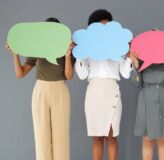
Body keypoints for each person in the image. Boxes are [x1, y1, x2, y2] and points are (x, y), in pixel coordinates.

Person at [5, 17, 75, 160]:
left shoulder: (65, 49)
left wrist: (67, 56)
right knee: (41, 134)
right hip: (40, 91)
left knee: (61, 135)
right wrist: (15, 54)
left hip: (60, 89)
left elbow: (69, 76)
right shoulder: (37, 49)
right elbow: (20, 73)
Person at [75, 9, 133, 160]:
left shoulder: (118, 47)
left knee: (112, 136)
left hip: (112, 90)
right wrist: (79, 54)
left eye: (107, 27)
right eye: (100, 27)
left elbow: (126, 74)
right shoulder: (86, 48)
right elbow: (82, 75)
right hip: (94, 92)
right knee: (96, 137)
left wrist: (129, 58)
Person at [129, 46, 164, 160]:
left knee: (163, 138)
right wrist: (136, 67)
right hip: (146, 100)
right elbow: (136, 83)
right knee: (147, 138)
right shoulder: (141, 59)